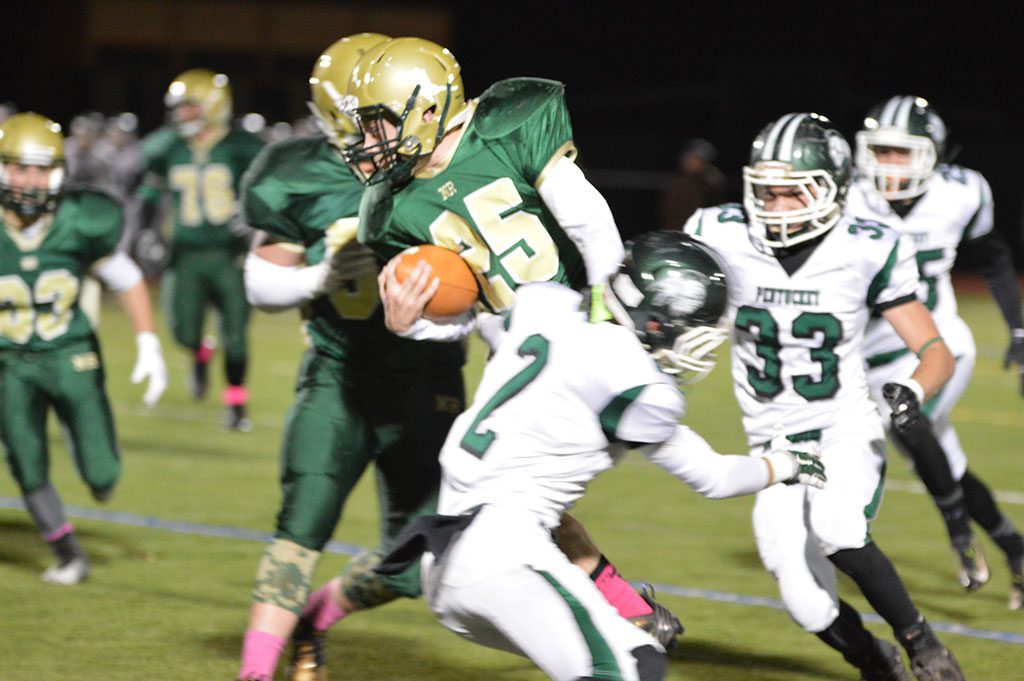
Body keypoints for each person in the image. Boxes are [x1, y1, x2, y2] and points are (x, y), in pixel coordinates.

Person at [344, 35, 688, 648]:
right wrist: (411, 324)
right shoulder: (396, 208)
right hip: (520, 355)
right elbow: (462, 316)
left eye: (379, 123)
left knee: (512, 499)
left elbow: (590, 221)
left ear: (429, 108)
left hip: (582, 330)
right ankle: (626, 614)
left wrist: (603, 315)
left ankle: (609, 623)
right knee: (517, 501)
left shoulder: (505, 127)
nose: (371, 141)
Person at [374, 231, 825, 681]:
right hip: (505, 555)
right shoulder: (638, 386)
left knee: (630, 658)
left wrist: (413, 326)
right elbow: (715, 477)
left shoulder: (543, 305)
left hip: (445, 560)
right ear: (660, 319)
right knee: (629, 668)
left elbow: (481, 321)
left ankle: (622, 608)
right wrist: (787, 463)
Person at [684, 112, 965, 681]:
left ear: (833, 190)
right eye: (768, 192)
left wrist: (912, 391)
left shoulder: (866, 247)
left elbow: (936, 351)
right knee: (804, 601)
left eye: (795, 192)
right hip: (773, 444)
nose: (777, 206)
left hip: (842, 428)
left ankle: (925, 645)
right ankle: (874, 661)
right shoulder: (720, 232)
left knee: (839, 527)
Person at [236, 33, 462, 681]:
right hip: (338, 374)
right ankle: (255, 672)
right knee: (300, 526)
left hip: (429, 380)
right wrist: (321, 278)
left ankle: (317, 615)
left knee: (422, 557)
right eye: (365, 114)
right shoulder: (302, 173)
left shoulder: (452, 169)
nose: (375, 130)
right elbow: (260, 282)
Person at [848, 95, 1024, 608]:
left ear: (931, 154)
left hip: (940, 344)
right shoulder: (846, 198)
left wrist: (1019, 331)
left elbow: (993, 258)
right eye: (880, 150)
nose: (889, 163)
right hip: (868, 358)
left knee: (907, 423)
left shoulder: (961, 193)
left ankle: (959, 536)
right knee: (945, 463)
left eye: (902, 152)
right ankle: (1015, 549)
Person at [0, 112, 167, 585]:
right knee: (25, 458)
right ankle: (68, 554)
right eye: (19, 168)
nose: (30, 181)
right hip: (9, 361)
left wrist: (148, 343)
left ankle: (95, 470)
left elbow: (128, 278)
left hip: (69, 352)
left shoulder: (79, 219)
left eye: (41, 170)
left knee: (102, 474)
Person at [137, 68, 263, 430]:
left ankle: (235, 403)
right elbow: (148, 195)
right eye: (180, 107)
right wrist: (146, 233)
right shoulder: (167, 147)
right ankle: (200, 353)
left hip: (230, 254)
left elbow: (268, 192)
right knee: (183, 333)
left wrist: (254, 216)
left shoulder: (243, 148)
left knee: (236, 337)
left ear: (213, 105)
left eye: (190, 106)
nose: (182, 113)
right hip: (185, 255)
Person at [657, 137, 729, 230]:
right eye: (692, 158)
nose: (693, 162)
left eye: (700, 159)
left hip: (700, 229)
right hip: (678, 230)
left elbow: (716, 205)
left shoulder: (709, 181)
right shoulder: (679, 180)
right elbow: (668, 210)